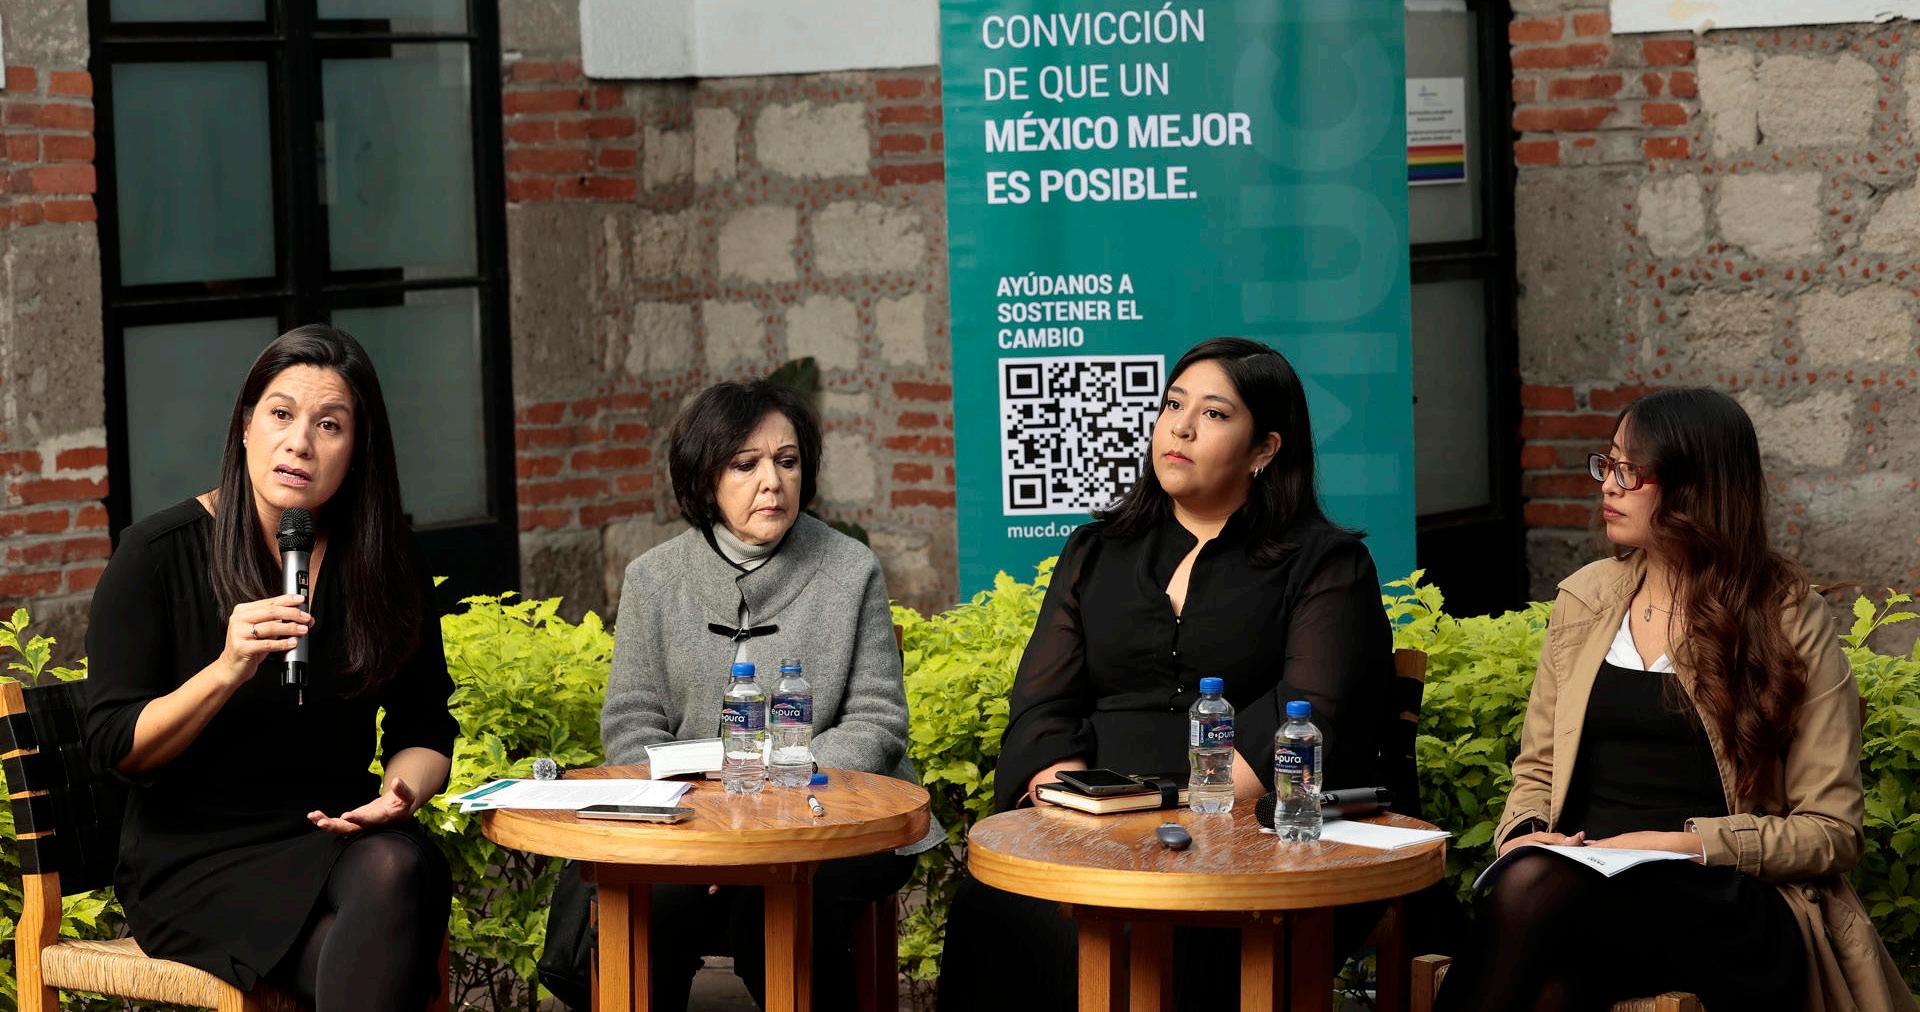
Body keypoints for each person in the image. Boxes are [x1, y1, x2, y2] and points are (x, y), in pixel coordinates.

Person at [938, 337, 1402, 1011]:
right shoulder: (1096, 551)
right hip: (1089, 833)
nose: (1180, 428)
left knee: (1141, 929)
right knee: (995, 905)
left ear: (1265, 449)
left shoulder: (1326, 565)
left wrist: (1179, 817)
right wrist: (1075, 811)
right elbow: (1043, 705)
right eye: (1172, 405)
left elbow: (1309, 712)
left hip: (1246, 848)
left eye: (1214, 414)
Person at [1435, 388, 1917, 1012]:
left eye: (1630, 472)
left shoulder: (1785, 617)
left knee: (1534, 899)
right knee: (1549, 974)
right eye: (1607, 464)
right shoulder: (1586, 599)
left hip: (1725, 897)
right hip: (1579, 888)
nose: (1608, 485)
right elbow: (1537, 770)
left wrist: (1676, 844)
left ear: (1697, 488)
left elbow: (1832, 832)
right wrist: (1522, 836)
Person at [82, 325, 458, 1011]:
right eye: (281, 414)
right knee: (387, 943)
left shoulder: (387, 562)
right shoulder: (155, 555)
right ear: (246, 427)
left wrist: (399, 794)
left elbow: (426, 723)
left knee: (400, 864)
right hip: (197, 858)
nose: (300, 443)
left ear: (358, 449)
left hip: (336, 836)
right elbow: (115, 748)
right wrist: (226, 669)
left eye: (330, 425)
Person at [599, 380, 943, 1011]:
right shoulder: (653, 578)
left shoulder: (850, 568)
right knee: (647, 907)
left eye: (787, 461)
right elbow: (630, 723)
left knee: (773, 909)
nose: (772, 482)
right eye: (745, 464)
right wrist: (711, 826)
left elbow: (876, 722)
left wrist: (766, 801)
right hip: (691, 822)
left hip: (838, 816)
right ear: (705, 478)